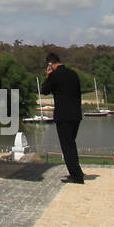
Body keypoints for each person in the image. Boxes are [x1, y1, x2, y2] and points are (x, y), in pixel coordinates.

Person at [44, 52, 85, 184]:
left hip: (63, 116)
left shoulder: (54, 75)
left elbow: (44, 90)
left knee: (67, 146)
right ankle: (76, 171)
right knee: (71, 144)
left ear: (50, 64)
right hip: (76, 114)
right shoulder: (73, 74)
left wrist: (48, 75)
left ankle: (76, 175)